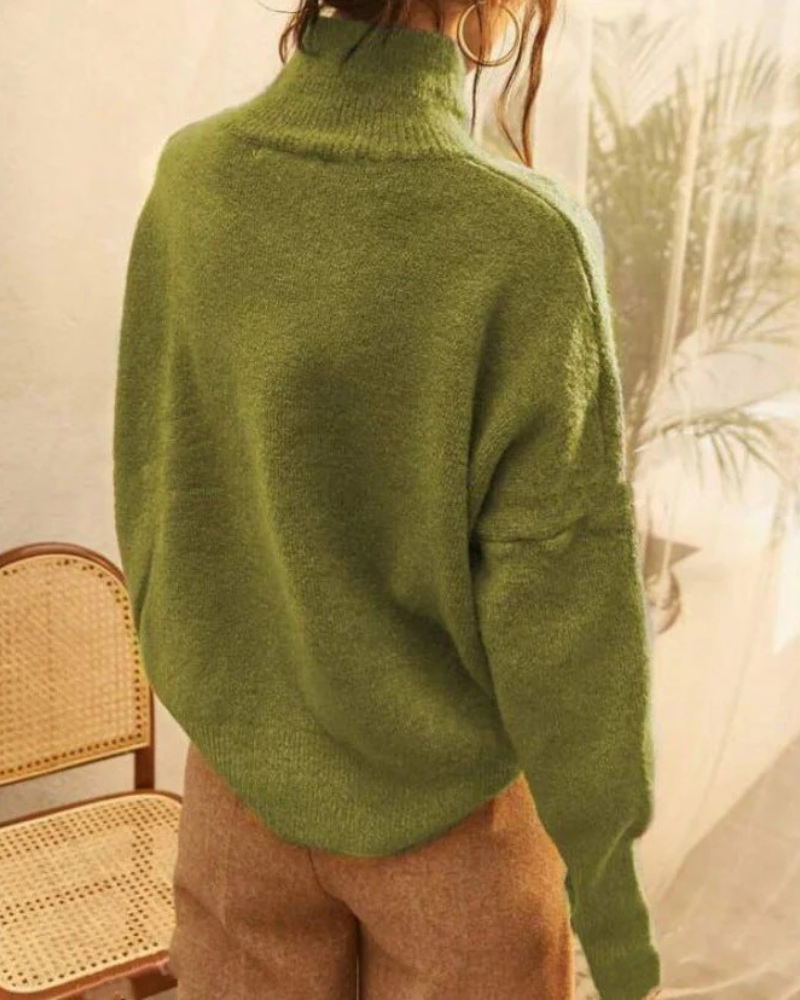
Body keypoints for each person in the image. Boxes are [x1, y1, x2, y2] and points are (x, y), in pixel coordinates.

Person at [112, 1, 664, 997]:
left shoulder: (191, 180)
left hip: (236, 797)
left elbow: (152, 487)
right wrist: (612, 906)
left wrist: (225, 696)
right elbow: (561, 608)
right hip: (455, 830)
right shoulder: (522, 238)